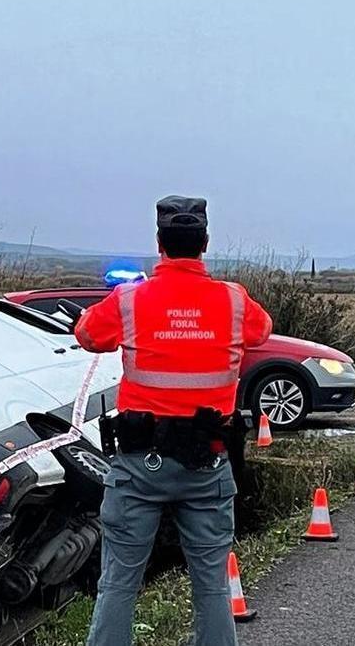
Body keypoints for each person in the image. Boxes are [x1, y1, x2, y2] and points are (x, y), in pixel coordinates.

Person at [75, 195, 273, 646]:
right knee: (212, 588)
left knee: (118, 585)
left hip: (139, 467)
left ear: (159, 242)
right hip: (207, 466)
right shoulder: (234, 301)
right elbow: (261, 331)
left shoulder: (129, 300)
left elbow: (87, 334)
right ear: (204, 242)